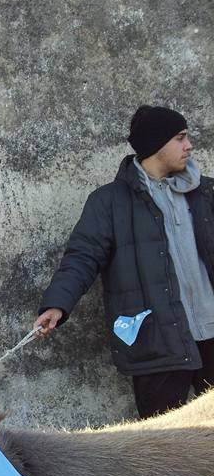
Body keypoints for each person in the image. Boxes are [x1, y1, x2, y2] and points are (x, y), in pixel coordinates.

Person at [35, 105, 214, 418]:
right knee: (162, 440)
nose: (189, 145)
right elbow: (83, 257)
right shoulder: (109, 202)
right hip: (158, 342)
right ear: (156, 144)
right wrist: (57, 305)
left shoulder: (207, 193)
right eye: (180, 138)